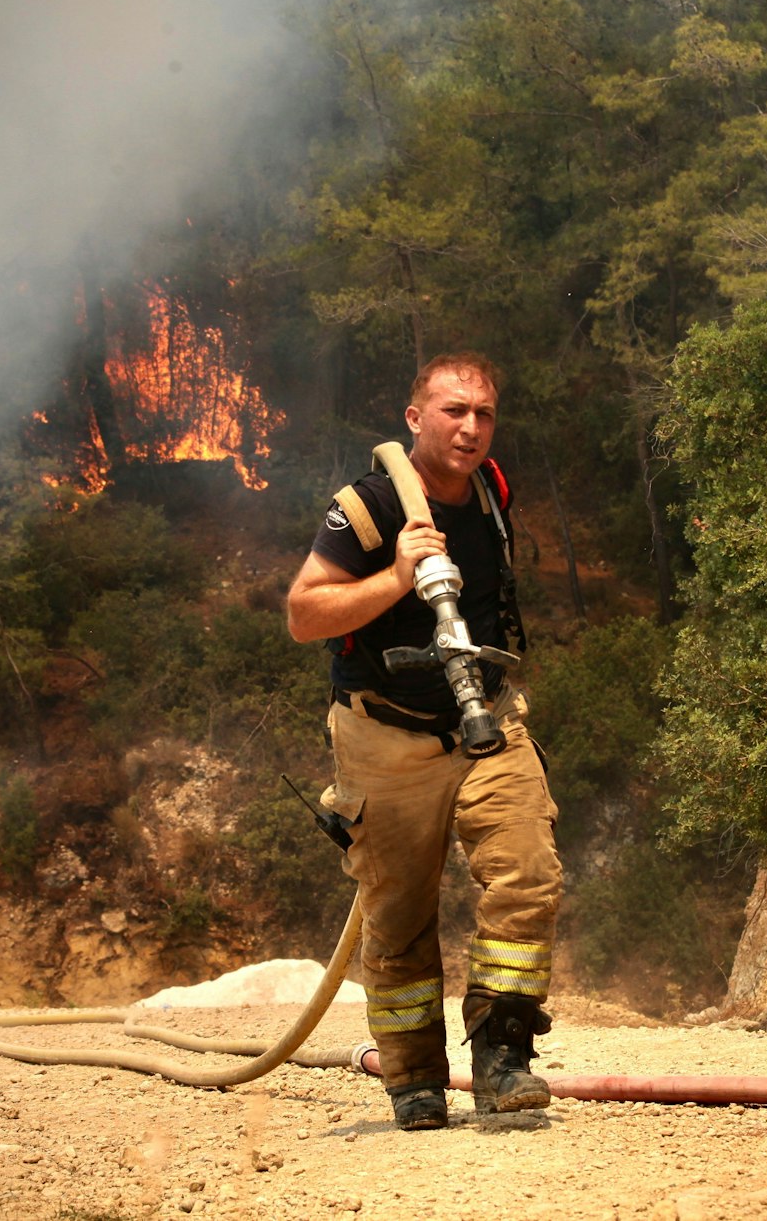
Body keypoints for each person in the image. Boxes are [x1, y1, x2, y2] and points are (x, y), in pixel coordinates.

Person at [285, 352, 561, 1131]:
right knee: (399, 915)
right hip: (386, 735)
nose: (471, 427)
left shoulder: (491, 491)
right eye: (453, 411)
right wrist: (397, 578)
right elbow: (304, 613)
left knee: (528, 871)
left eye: (484, 413)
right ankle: (414, 1078)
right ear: (415, 418)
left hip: (486, 718)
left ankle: (503, 1055)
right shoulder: (369, 508)